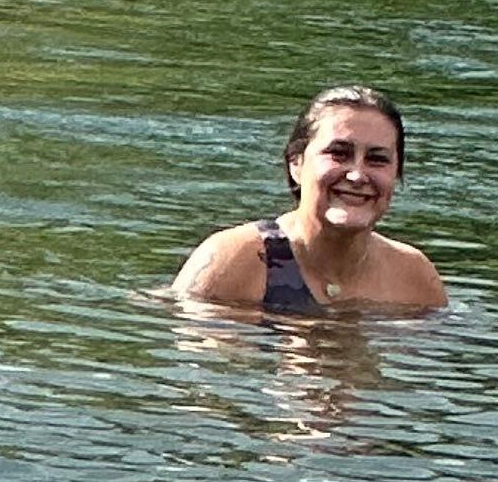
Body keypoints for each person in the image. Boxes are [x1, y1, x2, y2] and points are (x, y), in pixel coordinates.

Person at [171, 85, 447, 318]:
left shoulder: (414, 278)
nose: (357, 175)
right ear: (296, 164)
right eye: (339, 153)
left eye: (377, 159)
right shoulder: (231, 262)